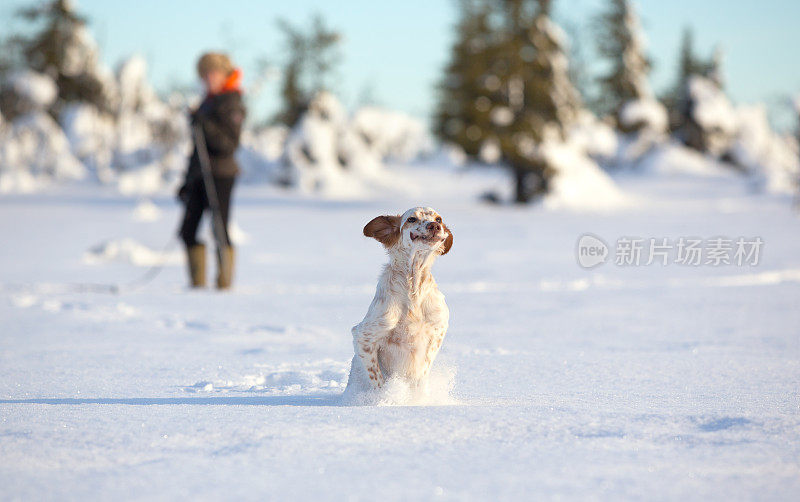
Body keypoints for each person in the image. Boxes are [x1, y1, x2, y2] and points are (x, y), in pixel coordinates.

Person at [177, 52, 246, 289]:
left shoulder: (231, 102)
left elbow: (228, 144)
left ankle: (224, 286)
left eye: (213, 72)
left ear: (224, 73)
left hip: (221, 175)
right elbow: (197, 148)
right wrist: (187, 180)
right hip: (199, 175)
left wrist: (204, 124)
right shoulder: (208, 101)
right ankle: (197, 286)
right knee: (187, 230)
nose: (208, 78)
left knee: (219, 228)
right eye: (204, 73)